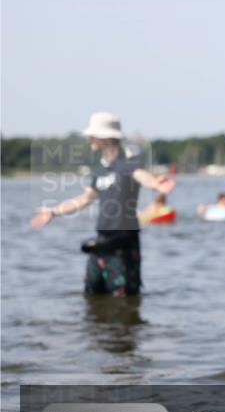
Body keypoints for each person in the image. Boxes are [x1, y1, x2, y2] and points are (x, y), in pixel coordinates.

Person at [31, 113, 175, 296]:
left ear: (106, 138)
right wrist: (54, 211)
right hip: (101, 242)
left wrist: (155, 183)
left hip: (123, 243)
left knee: (123, 300)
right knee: (91, 295)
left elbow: (140, 174)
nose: (88, 138)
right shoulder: (101, 169)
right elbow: (85, 199)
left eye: (92, 135)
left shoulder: (127, 163)